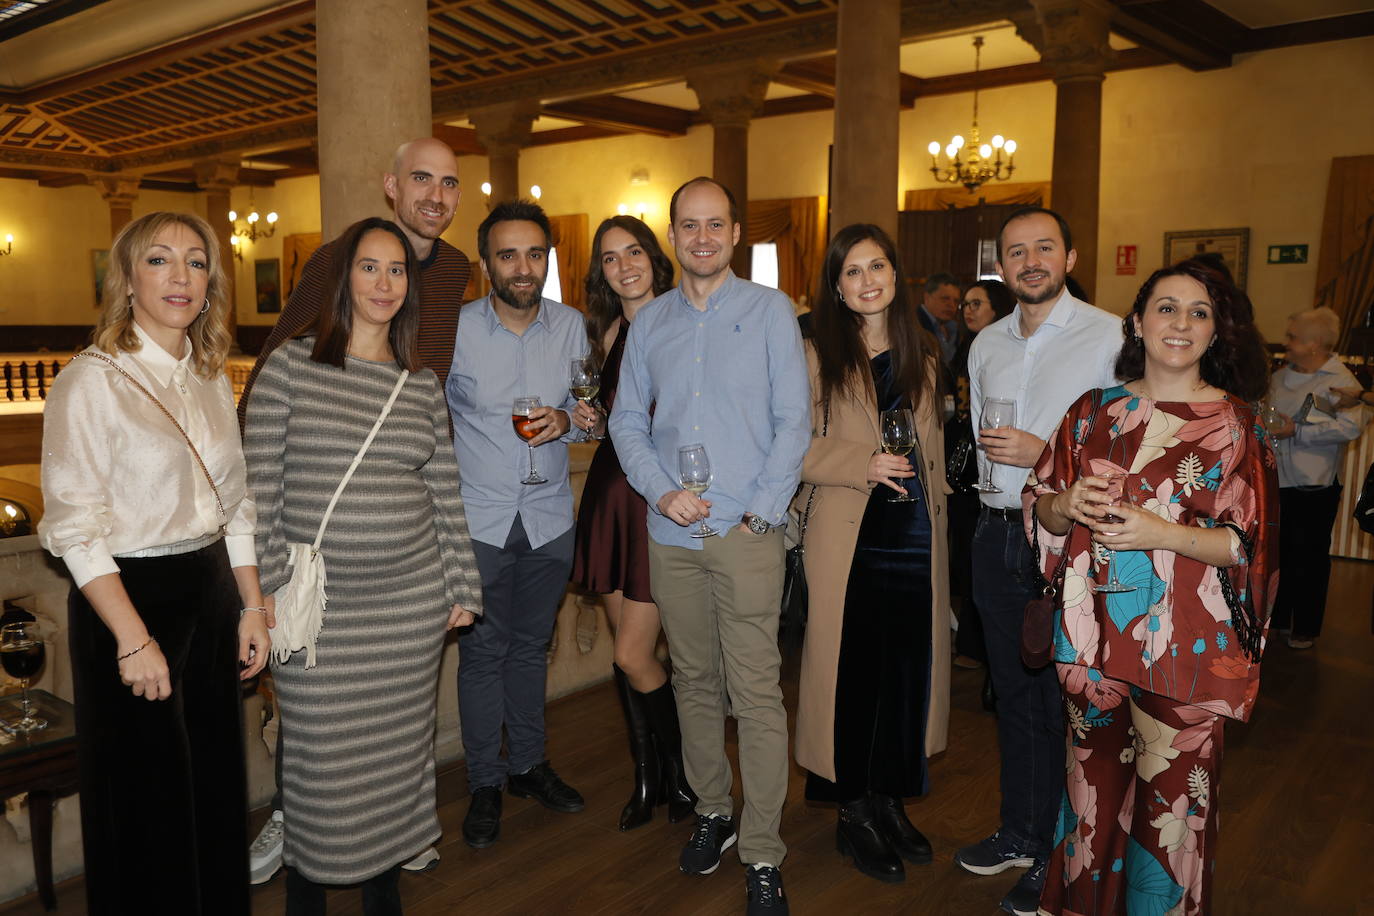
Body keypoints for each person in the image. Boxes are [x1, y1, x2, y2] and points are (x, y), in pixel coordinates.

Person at [243, 136, 470, 881]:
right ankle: (311, 861)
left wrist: (461, 587)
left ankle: (399, 849)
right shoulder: (290, 368)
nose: (383, 282)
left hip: (409, 608)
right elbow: (261, 487)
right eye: (369, 268)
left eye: (395, 271)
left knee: (401, 748)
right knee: (318, 753)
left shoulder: (421, 382)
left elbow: (442, 490)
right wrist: (270, 587)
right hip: (323, 609)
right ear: (344, 277)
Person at [1027, 258, 1278, 915]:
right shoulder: (1090, 414)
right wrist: (1068, 503)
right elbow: (1041, 509)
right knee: (1090, 801)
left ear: (1217, 332)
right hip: (1092, 645)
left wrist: (1160, 533)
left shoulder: (1235, 427)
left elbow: (1246, 545)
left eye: (1200, 312)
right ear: (1137, 322)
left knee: (1175, 816)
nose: (1181, 323)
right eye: (1167, 307)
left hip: (1185, 651)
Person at [38, 211, 271, 914]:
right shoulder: (91, 380)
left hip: (210, 591)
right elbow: (74, 527)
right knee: (144, 800)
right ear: (127, 279)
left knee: (213, 788)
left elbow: (236, 504)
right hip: (129, 597)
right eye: (161, 260)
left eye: (197, 263)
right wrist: (132, 637)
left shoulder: (207, 376)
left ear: (210, 284)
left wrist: (253, 605)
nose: (181, 277)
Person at [610, 177, 810, 915]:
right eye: (688, 226)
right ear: (673, 236)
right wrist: (661, 491)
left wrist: (761, 513)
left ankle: (762, 850)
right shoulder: (651, 323)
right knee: (692, 680)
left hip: (746, 531)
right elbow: (627, 422)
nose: (701, 238)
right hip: (671, 531)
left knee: (755, 692)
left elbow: (794, 421)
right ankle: (715, 812)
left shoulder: (769, 313)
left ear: (733, 235)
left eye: (714, 226)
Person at [956, 206, 1123, 916]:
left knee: (1065, 703)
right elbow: (976, 428)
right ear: (1001, 264)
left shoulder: (1111, 335)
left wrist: (1046, 456)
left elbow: (1128, 444)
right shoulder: (985, 341)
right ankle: (1021, 831)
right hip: (997, 533)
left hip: (1070, 541)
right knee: (1014, 697)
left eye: (1043, 248)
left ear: (1070, 254)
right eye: (1016, 251)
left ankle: (1060, 851)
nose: (1029, 261)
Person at [792, 223, 951, 885]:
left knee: (906, 678)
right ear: (835, 284)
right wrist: (860, 461)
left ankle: (888, 796)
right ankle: (852, 808)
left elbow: (936, 450)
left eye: (877, 266)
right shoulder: (810, 351)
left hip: (916, 535)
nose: (866, 281)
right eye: (851, 271)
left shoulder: (927, 353)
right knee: (852, 677)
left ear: (895, 273)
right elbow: (785, 447)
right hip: (849, 537)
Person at [446, 199, 588, 850]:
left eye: (534, 254)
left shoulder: (573, 328)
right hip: (479, 519)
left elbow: (596, 413)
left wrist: (573, 419)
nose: (522, 267)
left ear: (548, 259)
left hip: (551, 516)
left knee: (532, 650)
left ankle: (529, 766)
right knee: (481, 657)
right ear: (486, 264)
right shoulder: (454, 329)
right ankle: (485, 782)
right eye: (508, 254)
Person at [569, 215, 697, 830]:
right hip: (609, 496)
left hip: (657, 500)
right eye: (611, 258)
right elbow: (615, 414)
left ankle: (681, 775)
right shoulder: (609, 328)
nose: (625, 265)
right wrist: (592, 421)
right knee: (628, 658)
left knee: (631, 652)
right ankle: (654, 777)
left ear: (656, 256)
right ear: (602, 272)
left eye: (634, 252)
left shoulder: (681, 318)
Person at [238, 136, 471, 424]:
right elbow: (271, 365)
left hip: (418, 443)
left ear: (458, 197)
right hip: (347, 440)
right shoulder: (336, 259)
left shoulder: (455, 267)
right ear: (391, 186)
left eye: (448, 183)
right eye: (421, 178)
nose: (436, 196)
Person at [1265, 307, 1367, 649]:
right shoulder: (1279, 377)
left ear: (1314, 343)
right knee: (1279, 553)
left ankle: (1305, 626)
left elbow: (1351, 427)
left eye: (1293, 337)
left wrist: (1299, 431)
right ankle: (1277, 619)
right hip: (1277, 480)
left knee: (1309, 557)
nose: (1287, 343)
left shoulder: (1341, 381)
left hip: (1314, 485)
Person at [948, 278, 1016, 675]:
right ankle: (974, 643)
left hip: (992, 465)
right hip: (963, 463)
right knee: (967, 555)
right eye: (965, 304)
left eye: (977, 303)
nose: (968, 310)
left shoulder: (1000, 351)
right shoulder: (965, 349)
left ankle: (982, 648)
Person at [917, 271, 964, 369]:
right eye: (945, 299)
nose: (951, 305)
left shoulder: (954, 328)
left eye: (956, 301)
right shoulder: (915, 324)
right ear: (927, 298)